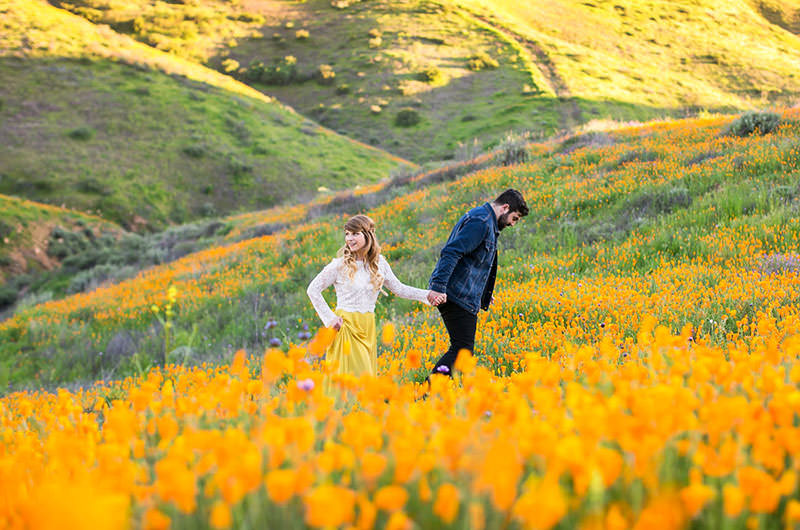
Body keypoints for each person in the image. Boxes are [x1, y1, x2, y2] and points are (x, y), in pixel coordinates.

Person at [307, 214, 443, 393]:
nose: (349, 239)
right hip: (346, 327)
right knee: (351, 381)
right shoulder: (339, 265)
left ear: (367, 235)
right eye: (347, 234)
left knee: (365, 381)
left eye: (355, 234)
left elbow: (399, 289)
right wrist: (330, 319)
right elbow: (313, 289)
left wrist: (428, 295)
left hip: (367, 326)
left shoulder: (380, 263)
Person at [428, 189, 528, 376]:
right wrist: (438, 287)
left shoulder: (485, 220)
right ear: (505, 207)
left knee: (462, 350)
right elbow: (452, 252)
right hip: (456, 295)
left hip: (462, 294)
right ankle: (427, 392)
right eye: (514, 218)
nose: (513, 224)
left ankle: (434, 393)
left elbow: (474, 261)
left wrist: (483, 294)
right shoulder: (480, 222)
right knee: (462, 350)